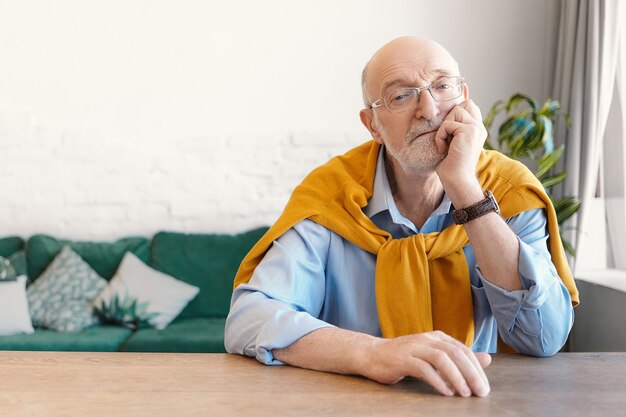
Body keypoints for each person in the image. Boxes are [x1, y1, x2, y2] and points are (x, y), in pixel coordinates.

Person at [225, 36, 579, 398]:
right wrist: (370, 352)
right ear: (373, 125)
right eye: (401, 96)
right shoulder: (332, 196)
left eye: (442, 86)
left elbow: (543, 335)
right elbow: (250, 319)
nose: (428, 109)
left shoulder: (510, 190)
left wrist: (466, 191)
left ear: (465, 100)